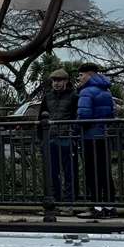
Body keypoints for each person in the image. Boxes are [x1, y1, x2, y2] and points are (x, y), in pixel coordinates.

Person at [76, 62, 116, 217]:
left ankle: (96, 207)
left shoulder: (86, 92)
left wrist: (77, 128)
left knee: (92, 172)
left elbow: (84, 116)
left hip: (90, 136)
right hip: (104, 135)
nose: (79, 78)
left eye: (81, 75)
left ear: (89, 74)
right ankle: (110, 206)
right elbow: (111, 113)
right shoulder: (106, 91)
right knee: (104, 171)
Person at [40, 68, 78, 210]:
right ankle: (55, 200)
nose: (56, 83)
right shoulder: (47, 96)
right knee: (52, 172)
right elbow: (41, 117)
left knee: (69, 172)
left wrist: (73, 134)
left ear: (66, 81)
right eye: (54, 81)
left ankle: (69, 202)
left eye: (59, 80)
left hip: (67, 137)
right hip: (51, 137)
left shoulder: (74, 96)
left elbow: (76, 117)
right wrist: (42, 139)